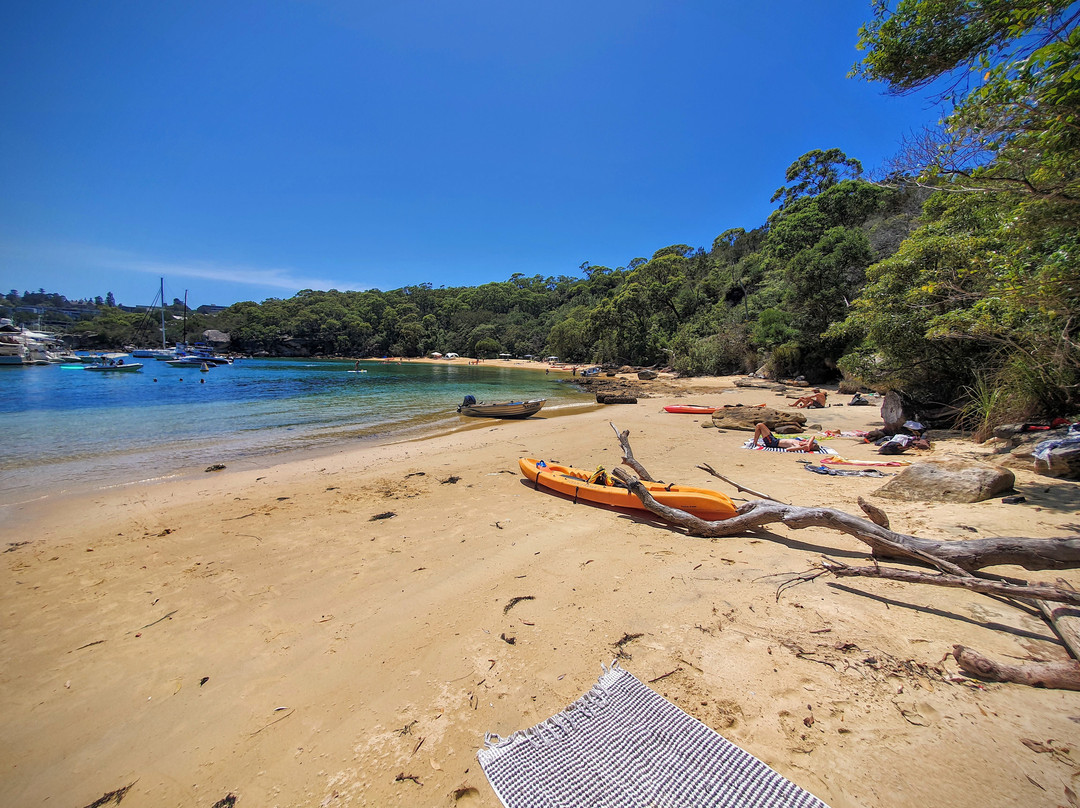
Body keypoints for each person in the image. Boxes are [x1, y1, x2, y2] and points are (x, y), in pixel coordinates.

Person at [752, 423, 819, 452]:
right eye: (808, 442)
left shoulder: (797, 445)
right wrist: (808, 444)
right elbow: (813, 437)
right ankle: (755, 442)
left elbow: (788, 449)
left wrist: (802, 447)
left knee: (759, 425)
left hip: (772, 442)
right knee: (760, 427)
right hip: (775, 439)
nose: (806, 442)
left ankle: (755, 442)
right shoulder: (800, 441)